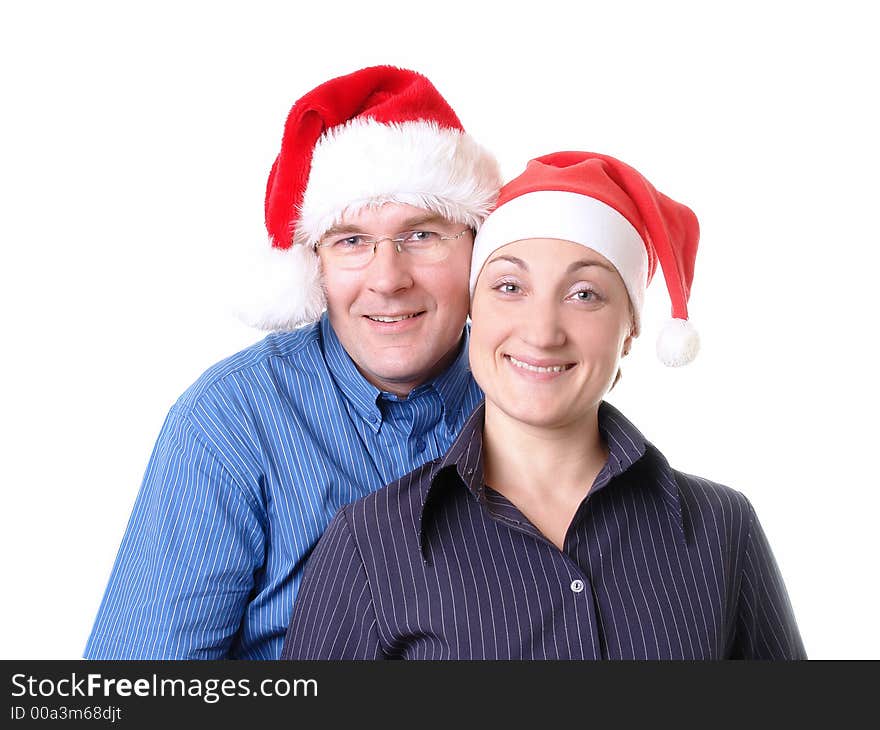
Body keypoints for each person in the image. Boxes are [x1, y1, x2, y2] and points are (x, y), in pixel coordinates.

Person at [281, 151, 806, 660]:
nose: (542, 332)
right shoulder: (369, 546)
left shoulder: (721, 527)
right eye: (510, 286)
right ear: (474, 312)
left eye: (584, 295)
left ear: (630, 332)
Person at [84, 66, 501, 659]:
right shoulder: (230, 424)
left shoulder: (527, 397)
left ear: (477, 248)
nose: (387, 279)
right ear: (315, 266)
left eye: (422, 234)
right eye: (351, 241)